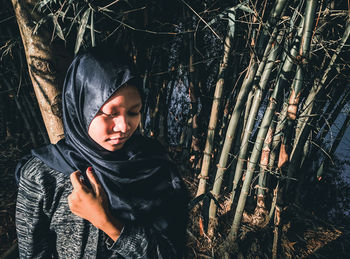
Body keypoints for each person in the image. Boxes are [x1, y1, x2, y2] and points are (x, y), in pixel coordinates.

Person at [15, 46, 188, 258]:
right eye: (110, 113)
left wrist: (108, 223)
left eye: (134, 112)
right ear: (81, 107)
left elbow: (172, 252)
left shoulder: (153, 165)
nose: (124, 126)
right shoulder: (42, 175)